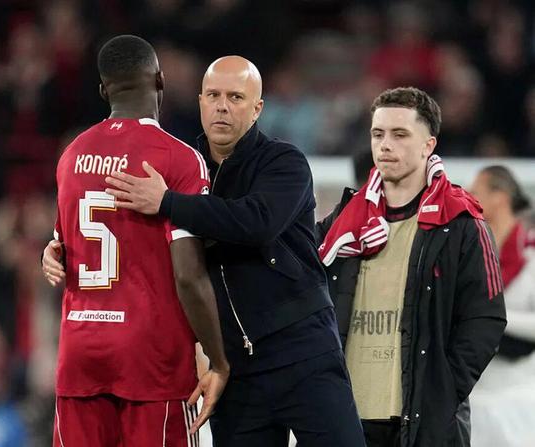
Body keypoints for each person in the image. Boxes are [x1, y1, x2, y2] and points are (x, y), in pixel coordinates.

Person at [90, 55, 365, 446]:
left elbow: (256, 222)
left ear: (257, 108)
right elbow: (136, 241)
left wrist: (169, 202)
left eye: (236, 97)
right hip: (234, 369)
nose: (222, 106)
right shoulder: (183, 167)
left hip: (303, 352)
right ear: (200, 102)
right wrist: (63, 248)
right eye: (214, 95)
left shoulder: (284, 162)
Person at [42, 35, 229, 446]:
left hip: (80, 351)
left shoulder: (72, 155)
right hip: (152, 359)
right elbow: (188, 275)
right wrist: (219, 360)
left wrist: (49, 253)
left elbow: (61, 248)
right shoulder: (179, 158)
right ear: (159, 80)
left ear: (103, 90)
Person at [315, 87, 506, 447]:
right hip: (344, 417)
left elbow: (486, 318)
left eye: (400, 134)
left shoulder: (461, 223)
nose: (385, 145)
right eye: (378, 134)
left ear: (428, 145)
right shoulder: (341, 225)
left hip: (423, 422)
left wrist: (443, 392)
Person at [468, 166, 535, 447]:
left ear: (500, 197)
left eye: (476, 191)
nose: (469, 198)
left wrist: (490, 317)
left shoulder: (531, 254)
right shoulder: (468, 253)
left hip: (520, 395)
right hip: (474, 396)